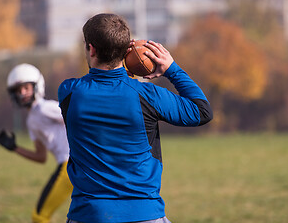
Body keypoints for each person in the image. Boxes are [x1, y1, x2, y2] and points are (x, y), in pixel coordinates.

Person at [58, 13, 213, 223]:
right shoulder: (147, 95)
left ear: (91, 49)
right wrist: (171, 69)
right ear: (125, 49)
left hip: (88, 214)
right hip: (145, 214)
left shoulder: (68, 92)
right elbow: (202, 111)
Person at [0, 63, 73, 223]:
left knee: (39, 217)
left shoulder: (44, 108)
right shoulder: (32, 120)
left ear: (37, 86)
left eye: (26, 88)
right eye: (18, 90)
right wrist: (15, 148)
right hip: (71, 165)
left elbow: (75, 116)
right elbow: (41, 156)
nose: (22, 93)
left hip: (69, 165)